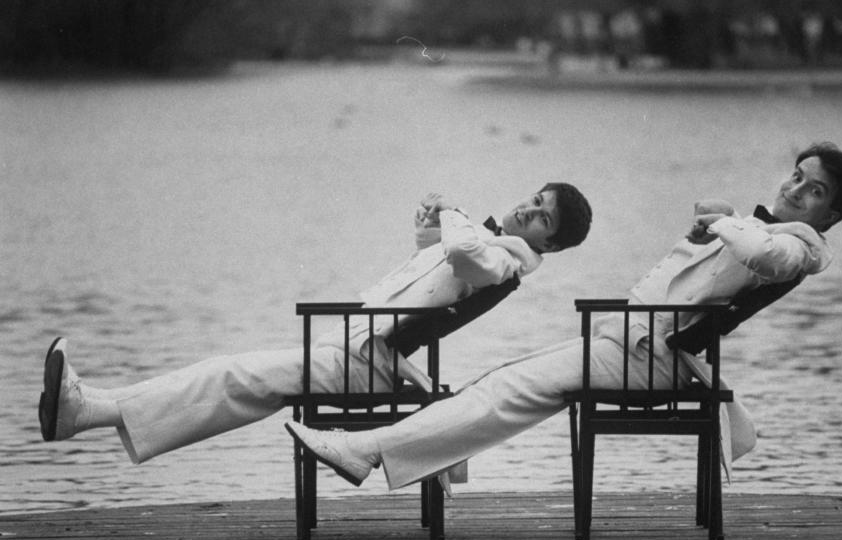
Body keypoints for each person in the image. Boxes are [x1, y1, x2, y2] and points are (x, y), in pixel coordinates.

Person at [285, 142, 842, 491]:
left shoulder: (802, 246)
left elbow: (764, 252)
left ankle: (373, 451)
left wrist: (720, 219)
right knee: (501, 388)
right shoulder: (765, 229)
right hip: (631, 346)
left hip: (650, 359)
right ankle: (416, 453)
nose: (795, 189)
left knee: (503, 387)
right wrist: (722, 224)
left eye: (813, 190)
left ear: (832, 214)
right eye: (797, 175)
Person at [39, 183, 593, 465]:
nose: (529, 210)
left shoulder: (503, 260)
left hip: (366, 362)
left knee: (235, 375)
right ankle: (88, 410)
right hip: (355, 346)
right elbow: (437, 257)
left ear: (550, 244)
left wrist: (452, 215)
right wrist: (429, 221)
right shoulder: (489, 243)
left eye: (543, 217)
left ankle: (88, 409)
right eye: (535, 199)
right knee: (241, 383)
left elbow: (463, 252)